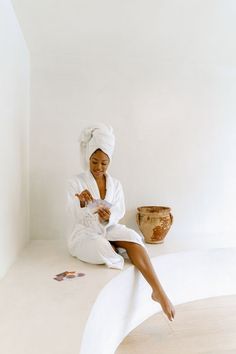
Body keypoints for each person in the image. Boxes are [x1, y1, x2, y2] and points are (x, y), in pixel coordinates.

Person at [67, 123, 175, 321]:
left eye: (104, 163)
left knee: (133, 236)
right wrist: (83, 204)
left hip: (109, 228)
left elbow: (120, 210)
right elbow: (75, 215)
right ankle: (114, 248)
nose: (99, 167)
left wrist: (108, 216)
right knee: (101, 246)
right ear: (88, 158)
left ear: (109, 162)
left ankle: (158, 291)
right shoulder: (77, 182)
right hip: (86, 233)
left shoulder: (115, 184)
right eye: (94, 162)